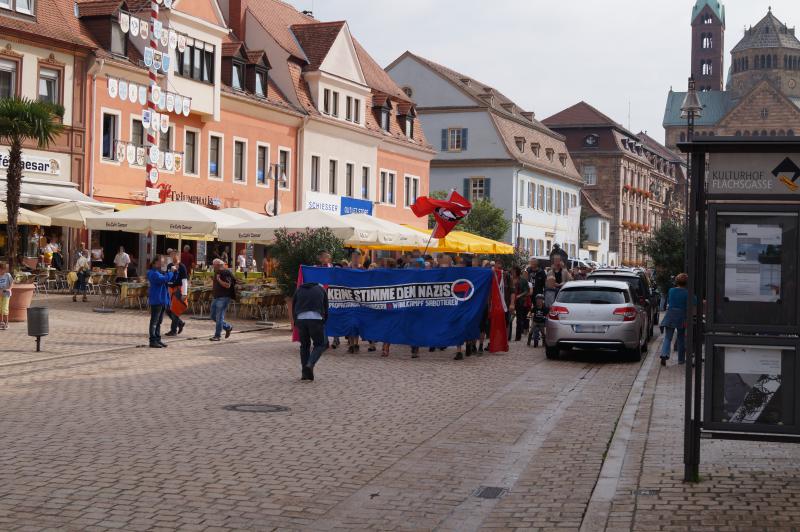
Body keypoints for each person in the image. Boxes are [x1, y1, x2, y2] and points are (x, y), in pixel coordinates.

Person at [292, 280, 329, 381]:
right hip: (316, 319)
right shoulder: (321, 289)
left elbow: (293, 306)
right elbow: (326, 307)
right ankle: (310, 364)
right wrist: (324, 320)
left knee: (304, 346)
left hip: (301, 319)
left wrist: (296, 321)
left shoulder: (299, 290)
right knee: (320, 344)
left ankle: (305, 373)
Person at [146, 255, 176, 349]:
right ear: (155, 262)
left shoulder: (159, 272)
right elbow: (163, 279)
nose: (163, 263)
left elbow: (168, 279)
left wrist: (170, 273)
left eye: (163, 261)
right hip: (157, 299)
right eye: (161, 261)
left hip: (162, 299)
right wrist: (170, 272)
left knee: (159, 321)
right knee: (154, 321)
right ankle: (153, 340)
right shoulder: (152, 273)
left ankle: (158, 339)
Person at [660, 273, 689, 366]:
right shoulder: (687, 292)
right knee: (681, 338)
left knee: (668, 337)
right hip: (681, 316)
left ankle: (664, 354)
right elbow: (694, 301)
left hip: (670, 315)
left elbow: (669, 301)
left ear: (676, 281)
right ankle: (681, 359)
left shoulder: (671, 290)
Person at [209, 259, 235, 341]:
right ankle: (228, 327)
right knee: (213, 316)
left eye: (214, 265)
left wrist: (219, 280)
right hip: (216, 297)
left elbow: (228, 285)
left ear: (219, 265)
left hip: (224, 297)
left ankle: (217, 336)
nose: (213, 266)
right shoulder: (217, 272)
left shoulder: (225, 272)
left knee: (219, 317)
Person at [164, 250, 188, 337]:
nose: (172, 257)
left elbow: (184, 280)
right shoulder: (169, 266)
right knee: (167, 310)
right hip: (170, 290)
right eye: (171, 255)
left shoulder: (182, 266)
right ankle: (180, 323)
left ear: (178, 256)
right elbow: (167, 277)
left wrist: (184, 293)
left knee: (175, 311)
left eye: (174, 255)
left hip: (178, 290)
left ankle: (173, 330)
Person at [511, 266, 531, 341]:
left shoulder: (523, 280)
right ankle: (507, 336)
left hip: (520, 302)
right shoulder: (510, 279)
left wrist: (519, 295)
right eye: (512, 271)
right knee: (509, 319)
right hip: (511, 301)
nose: (512, 272)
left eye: (514, 271)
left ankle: (518, 336)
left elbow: (527, 291)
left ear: (517, 272)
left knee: (519, 319)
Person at [0, 262, 12, 330]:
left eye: (2, 269)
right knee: (0, 308)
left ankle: (6, 323)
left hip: (6, 294)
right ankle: (1, 322)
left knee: (5, 308)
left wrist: (9, 289)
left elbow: (12, 283)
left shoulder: (7, 275)